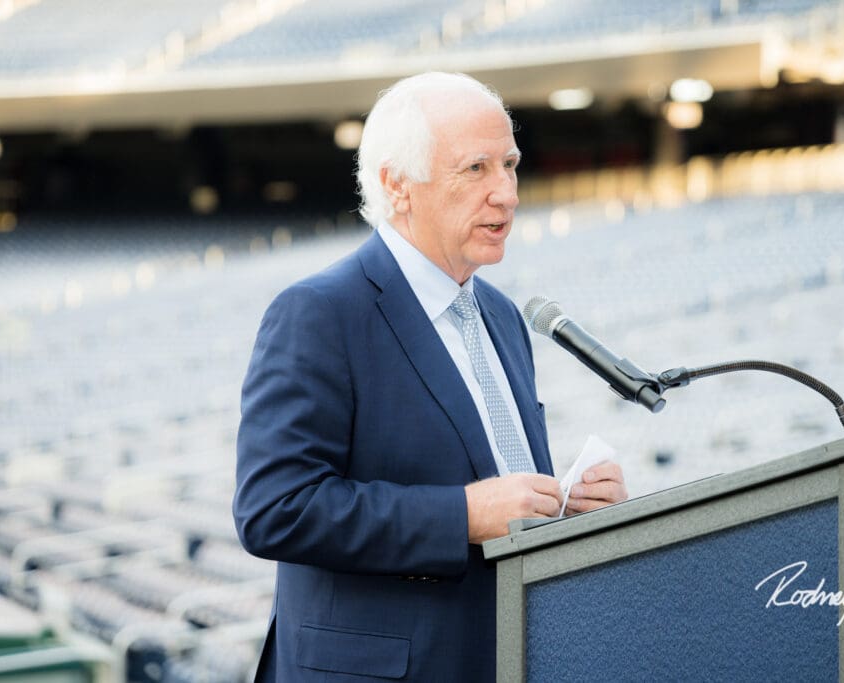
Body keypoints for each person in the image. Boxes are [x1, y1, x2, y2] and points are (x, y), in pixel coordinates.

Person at [234, 71, 627, 682]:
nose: (507, 193)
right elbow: (274, 508)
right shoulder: (319, 313)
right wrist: (462, 516)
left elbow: (496, 494)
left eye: (510, 165)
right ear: (398, 184)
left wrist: (563, 504)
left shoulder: (500, 314)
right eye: (476, 169)